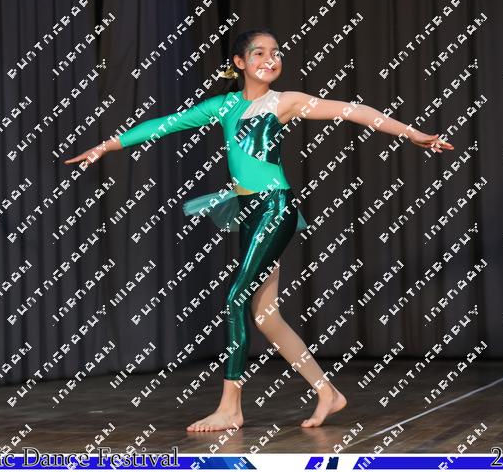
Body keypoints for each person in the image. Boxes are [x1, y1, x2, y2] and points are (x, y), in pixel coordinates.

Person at [65, 28, 454, 432]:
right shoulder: (223, 106)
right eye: (259, 53)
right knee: (266, 317)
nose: (271, 59)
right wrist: (105, 146)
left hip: (274, 207)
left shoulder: (284, 102)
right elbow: (164, 124)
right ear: (239, 62)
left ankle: (231, 407)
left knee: (235, 298)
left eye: (276, 52)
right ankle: (328, 393)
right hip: (247, 210)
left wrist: (412, 134)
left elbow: (353, 110)